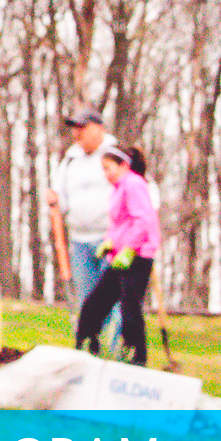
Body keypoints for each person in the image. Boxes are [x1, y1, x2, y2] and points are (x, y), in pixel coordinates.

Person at [47, 107, 125, 357]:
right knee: (87, 300)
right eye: (75, 129)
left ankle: (118, 350)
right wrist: (55, 201)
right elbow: (61, 199)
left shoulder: (116, 156)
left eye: (83, 127)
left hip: (111, 238)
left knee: (112, 297)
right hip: (79, 240)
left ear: (99, 128)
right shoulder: (70, 160)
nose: (77, 134)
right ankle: (92, 350)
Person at [75, 144, 160, 365]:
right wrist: (109, 242)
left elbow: (143, 221)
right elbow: (120, 223)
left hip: (137, 257)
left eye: (108, 168)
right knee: (95, 303)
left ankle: (136, 356)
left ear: (123, 165)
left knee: (129, 307)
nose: (105, 174)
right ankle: (86, 343)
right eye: (102, 169)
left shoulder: (134, 184)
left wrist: (130, 249)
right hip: (120, 257)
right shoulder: (119, 187)